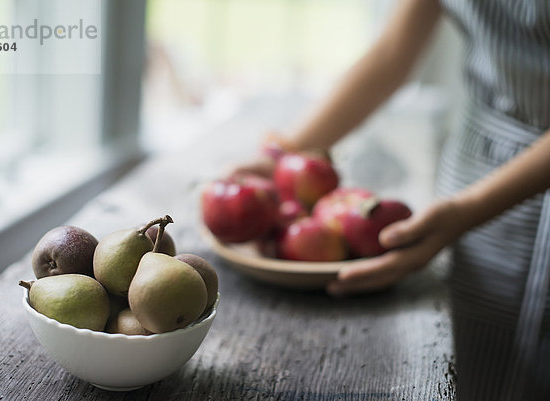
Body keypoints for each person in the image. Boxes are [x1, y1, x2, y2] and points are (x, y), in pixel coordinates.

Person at [232, 0, 550, 399]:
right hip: (475, 168)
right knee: (475, 357)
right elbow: (392, 51)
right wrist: (290, 156)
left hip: (479, 197)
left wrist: (465, 212)